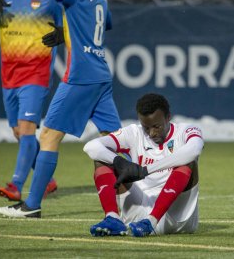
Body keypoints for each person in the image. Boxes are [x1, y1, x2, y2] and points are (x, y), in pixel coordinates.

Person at [0, 0, 121, 217]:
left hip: (79, 76)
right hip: (101, 73)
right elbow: (107, 23)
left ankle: (31, 206)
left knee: (48, 136)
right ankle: (146, 194)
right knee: (116, 141)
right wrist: (68, 31)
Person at [0, 0, 63, 201]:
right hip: (9, 75)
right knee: (18, 132)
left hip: (36, 73)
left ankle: (16, 185)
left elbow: (67, 26)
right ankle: (47, 179)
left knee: (26, 130)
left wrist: (63, 33)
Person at [83, 93, 204, 237]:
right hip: (140, 210)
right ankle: (112, 218)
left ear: (168, 117)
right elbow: (91, 146)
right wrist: (119, 161)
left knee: (187, 162)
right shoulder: (134, 133)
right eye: (146, 127)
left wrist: (146, 170)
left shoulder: (185, 131)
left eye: (157, 126)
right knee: (102, 159)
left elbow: (194, 150)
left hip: (177, 216)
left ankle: (152, 222)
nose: (152, 133)